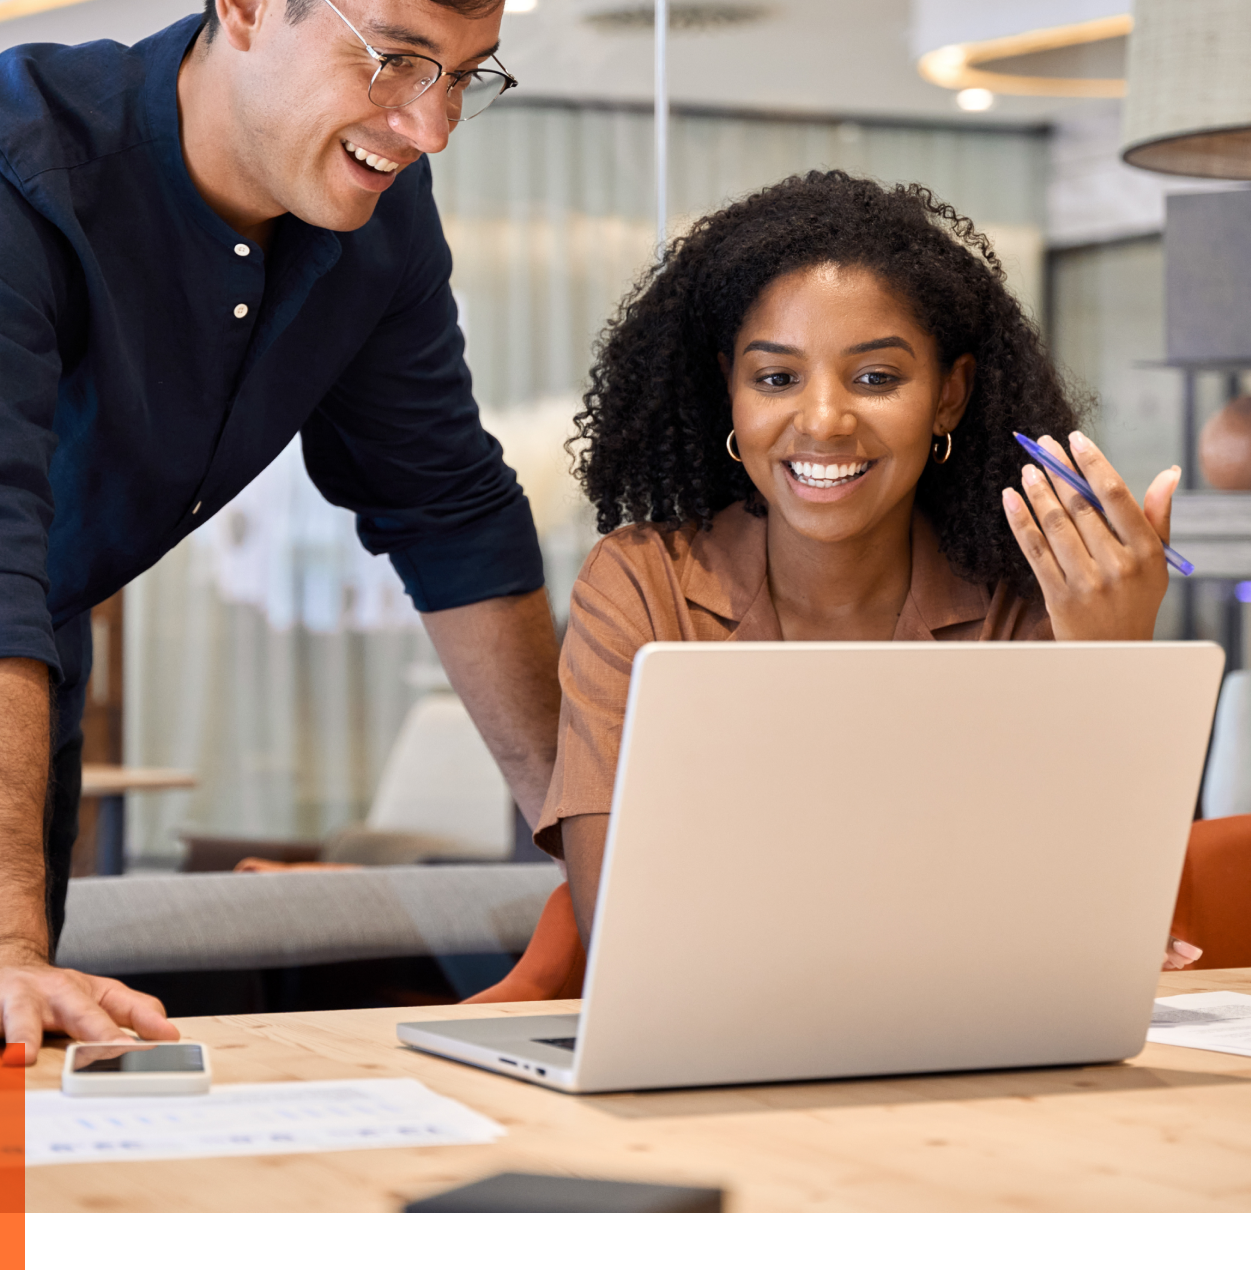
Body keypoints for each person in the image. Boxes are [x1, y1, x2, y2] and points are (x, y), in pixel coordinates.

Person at [0, 0, 564, 1059]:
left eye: (463, 76)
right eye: (395, 59)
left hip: (9, 691)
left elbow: (448, 510)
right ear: (248, 0)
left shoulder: (375, 225)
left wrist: (593, 849)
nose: (429, 124)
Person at [470, 171, 1194, 1003]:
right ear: (729, 394)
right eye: (775, 379)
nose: (822, 420)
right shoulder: (642, 585)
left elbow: (1094, 932)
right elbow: (625, 936)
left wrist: (1111, 664)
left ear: (947, 396)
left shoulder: (1024, 597)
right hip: (716, 1050)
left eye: (876, 379)